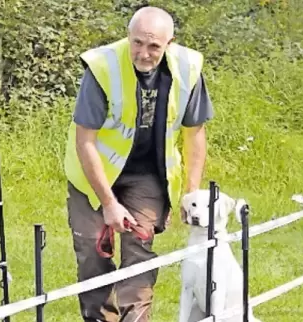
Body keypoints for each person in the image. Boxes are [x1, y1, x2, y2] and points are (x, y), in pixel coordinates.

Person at [63, 5, 214, 322]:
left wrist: (191, 194)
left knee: (139, 252)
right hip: (94, 173)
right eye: (137, 43)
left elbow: (195, 134)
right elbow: (84, 141)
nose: (143, 53)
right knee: (93, 253)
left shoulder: (188, 68)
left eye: (153, 46)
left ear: (169, 44)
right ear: (127, 37)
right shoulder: (102, 66)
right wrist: (108, 203)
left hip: (147, 175)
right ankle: (98, 319)